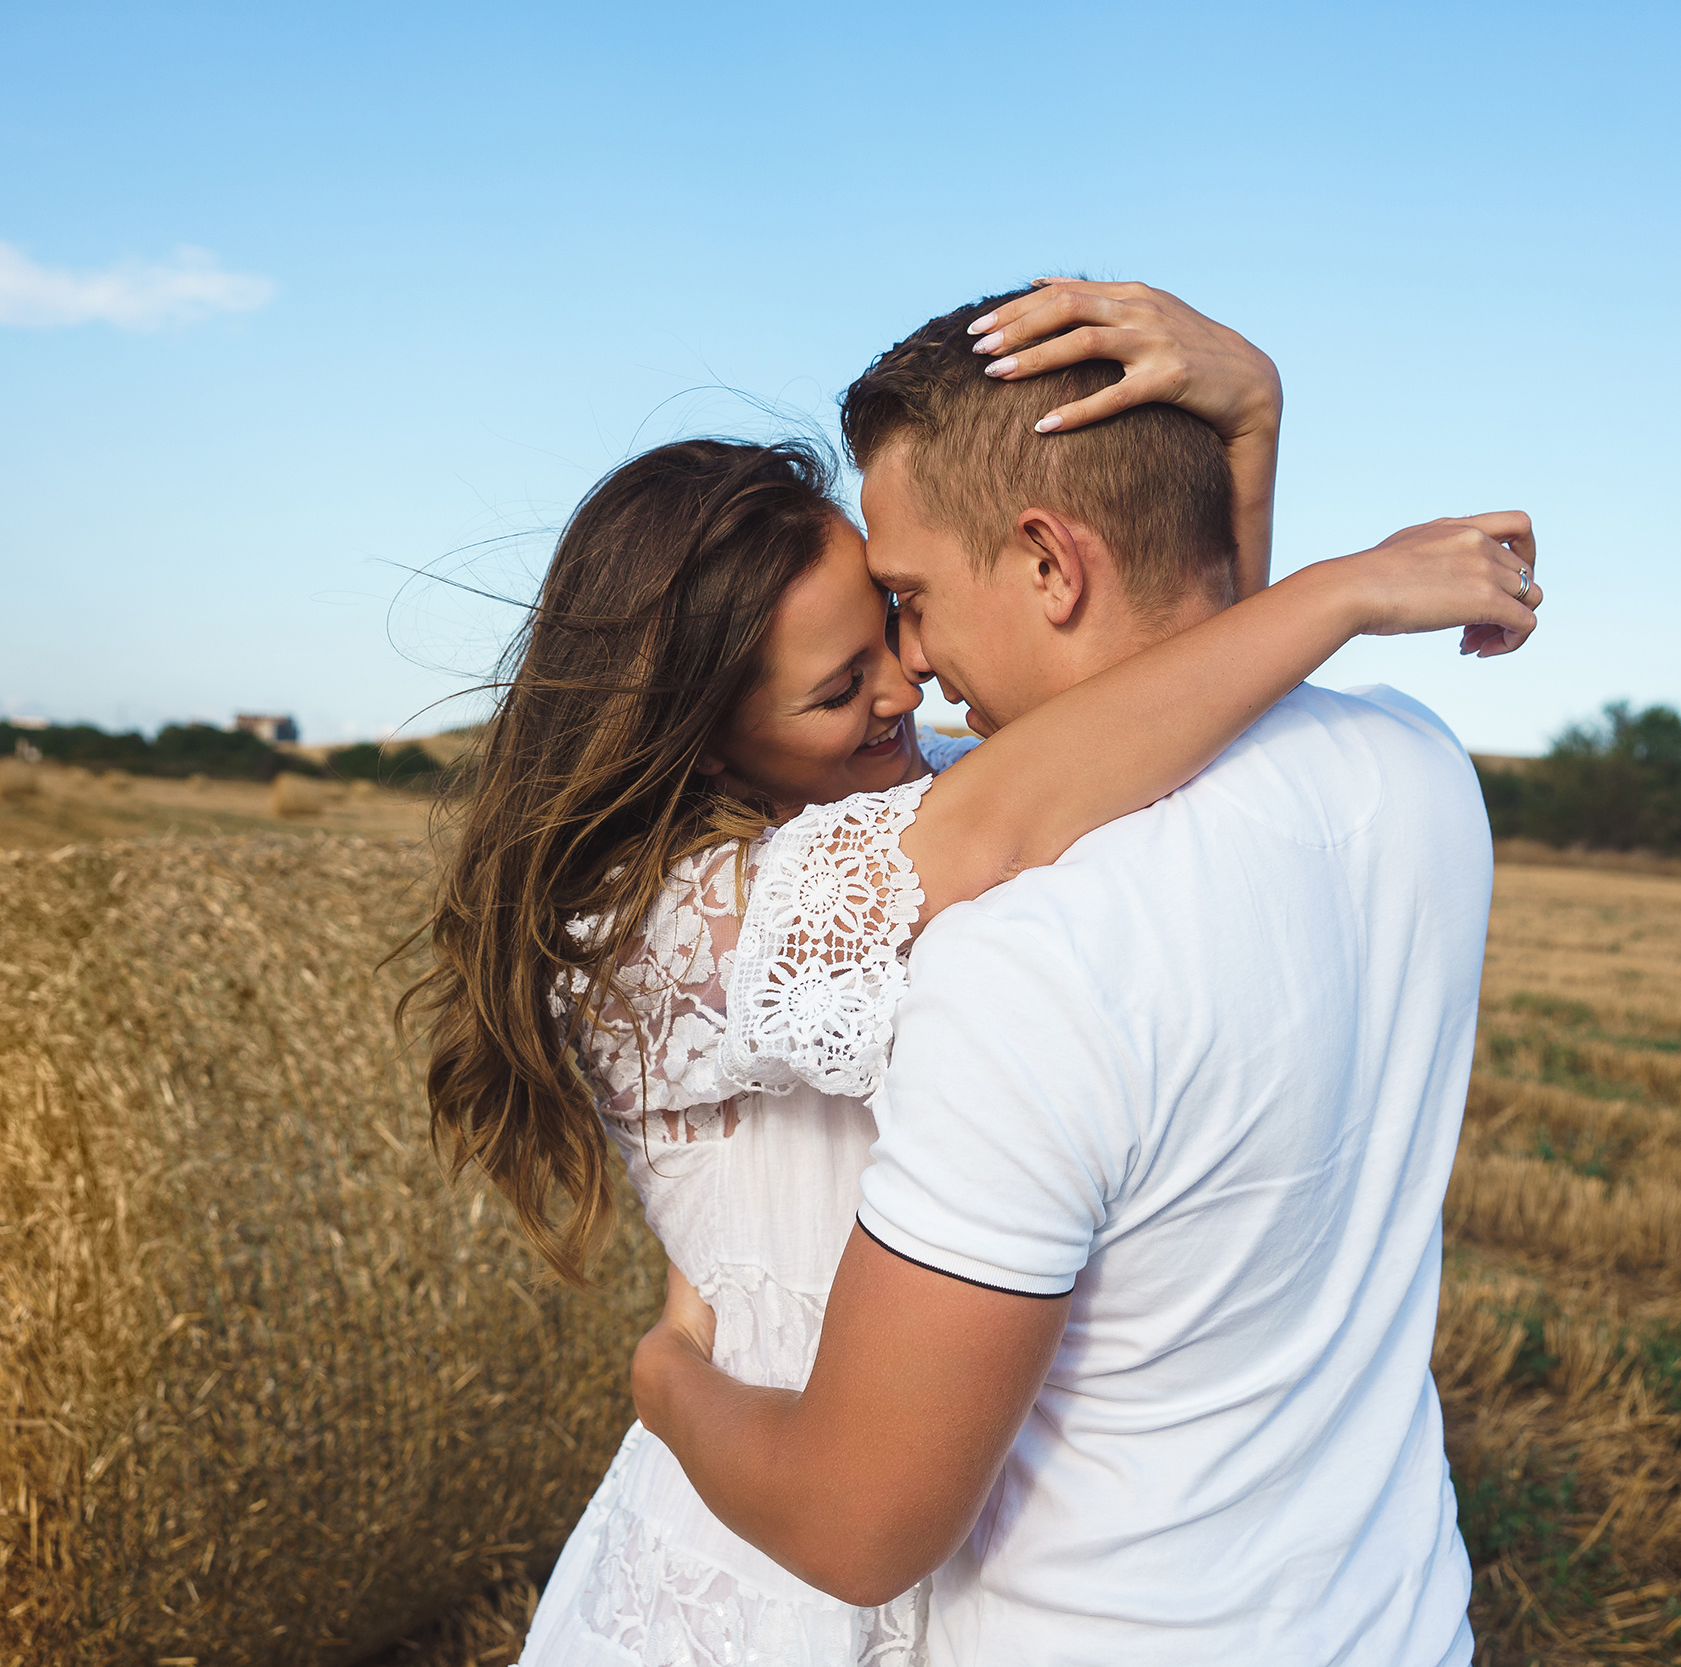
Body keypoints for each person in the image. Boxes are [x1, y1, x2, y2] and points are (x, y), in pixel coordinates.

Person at [410, 284, 1538, 1667]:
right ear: (699, 737)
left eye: (901, 612)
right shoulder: (657, 931)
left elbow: (1156, 703)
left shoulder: (953, 844)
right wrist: (1339, 589)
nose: (914, 683)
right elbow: (1066, 767)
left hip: (901, 1507)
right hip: (756, 1564)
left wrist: (1248, 435)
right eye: (847, 681)